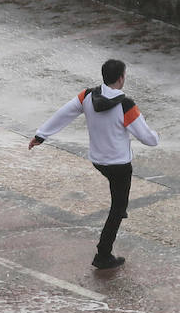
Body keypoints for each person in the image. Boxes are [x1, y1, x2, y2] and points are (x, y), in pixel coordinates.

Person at [28, 59, 159, 269]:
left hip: (98, 161)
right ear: (121, 78)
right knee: (117, 208)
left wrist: (41, 135)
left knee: (117, 193)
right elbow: (148, 139)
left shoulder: (87, 96)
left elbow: (63, 113)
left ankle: (120, 207)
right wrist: (156, 135)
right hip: (119, 165)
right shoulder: (126, 105)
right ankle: (103, 254)